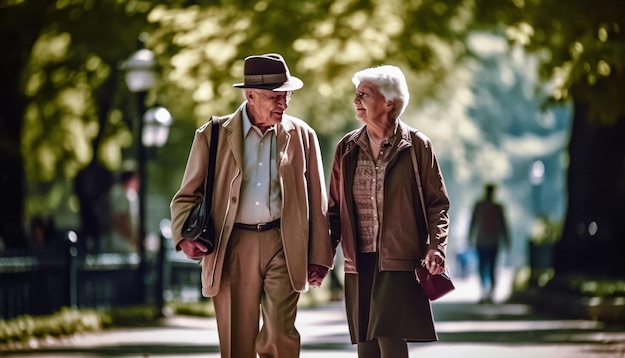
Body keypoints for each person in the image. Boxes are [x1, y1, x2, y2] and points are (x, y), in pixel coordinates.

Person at [170, 53, 334, 358]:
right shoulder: (212, 135)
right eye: (275, 97)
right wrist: (184, 235)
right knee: (237, 341)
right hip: (231, 243)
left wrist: (319, 256)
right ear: (250, 96)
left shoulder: (303, 136)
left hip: (283, 244)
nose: (283, 104)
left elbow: (318, 200)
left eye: (286, 96)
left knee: (279, 331)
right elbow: (186, 195)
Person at [328, 65, 451, 358]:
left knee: (390, 338)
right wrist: (321, 258)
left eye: (364, 94)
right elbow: (333, 208)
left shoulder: (417, 145)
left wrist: (437, 246)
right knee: (366, 346)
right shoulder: (347, 148)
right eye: (356, 94)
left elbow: (438, 203)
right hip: (358, 261)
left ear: (389, 102)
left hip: (399, 260)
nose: (356, 100)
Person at [468, 183, 510, 304]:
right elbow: (503, 226)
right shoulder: (496, 207)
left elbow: (473, 223)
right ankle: (487, 292)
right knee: (488, 267)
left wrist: (470, 237)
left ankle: (488, 292)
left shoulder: (482, 206)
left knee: (486, 267)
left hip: (485, 241)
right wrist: (506, 240)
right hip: (490, 241)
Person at [104, 170, 140, 253]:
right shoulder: (120, 194)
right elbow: (119, 220)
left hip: (122, 242)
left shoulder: (124, 194)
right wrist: (132, 239)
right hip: (121, 243)